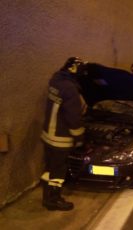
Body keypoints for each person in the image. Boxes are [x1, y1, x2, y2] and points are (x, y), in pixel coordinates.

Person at [40, 57, 87, 211]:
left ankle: (46, 196)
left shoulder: (55, 81)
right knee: (58, 171)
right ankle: (54, 200)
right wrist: (80, 137)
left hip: (48, 135)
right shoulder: (70, 89)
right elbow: (73, 118)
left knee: (49, 168)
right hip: (60, 138)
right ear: (73, 69)